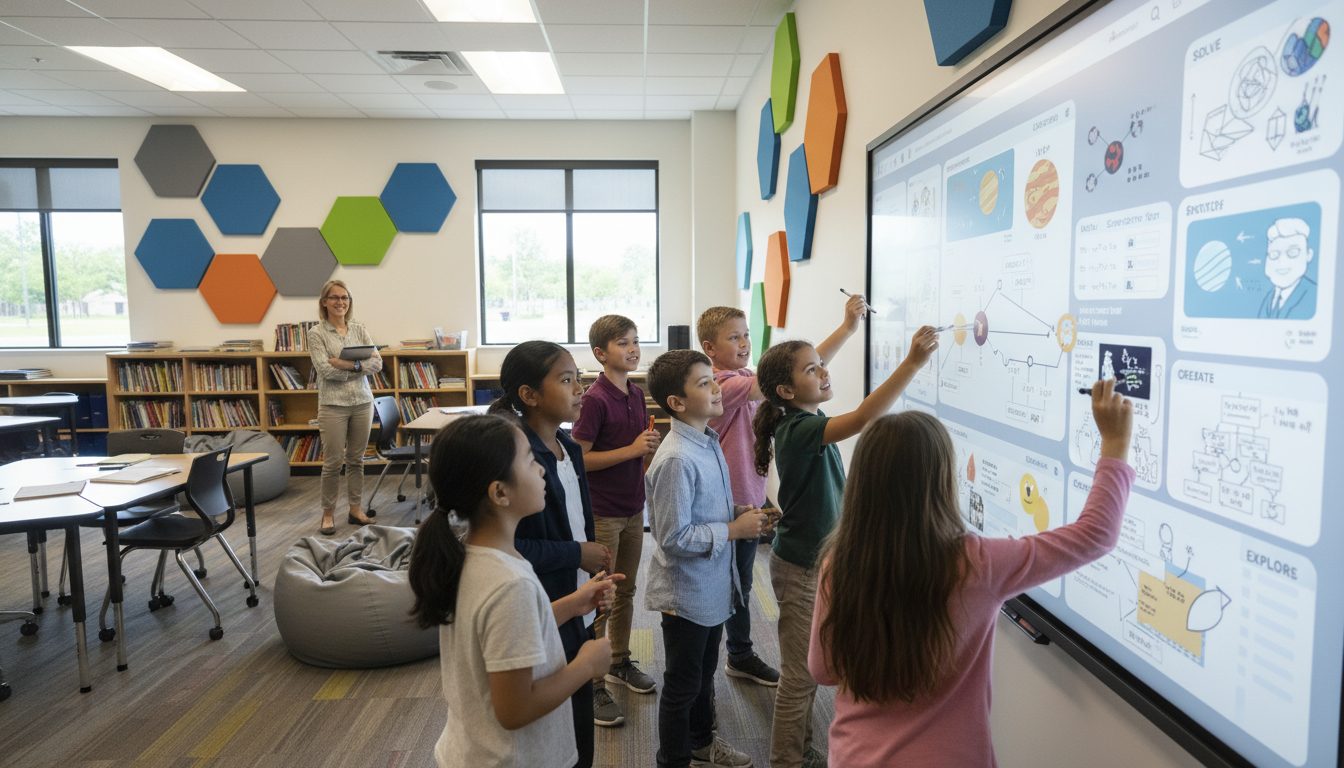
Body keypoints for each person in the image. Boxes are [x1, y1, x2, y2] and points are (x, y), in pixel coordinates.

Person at [808, 382, 1136, 767]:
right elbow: (1095, 535)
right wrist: (1114, 443)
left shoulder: (839, 562)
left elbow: (823, 669)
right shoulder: (977, 562)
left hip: (855, 756)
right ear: (942, 481)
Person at [752, 325, 938, 768]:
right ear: (786, 390)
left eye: (822, 365)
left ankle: (803, 750)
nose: (823, 372)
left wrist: (850, 327)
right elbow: (861, 419)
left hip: (819, 565)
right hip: (799, 569)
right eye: (812, 370)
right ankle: (786, 761)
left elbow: (818, 370)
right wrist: (911, 363)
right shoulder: (798, 429)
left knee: (813, 671)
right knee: (798, 680)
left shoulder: (806, 420)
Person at [406, 413, 620, 768]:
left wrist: (570, 605)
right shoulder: (509, 585)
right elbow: (515, 709)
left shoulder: (473, 557)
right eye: (531, 460)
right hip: (513, 757)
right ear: (500, 492)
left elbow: (497, 635)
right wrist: (585, 665)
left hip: (477, 750)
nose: (541, 470)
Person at [696, 295, 868, 689]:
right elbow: (792, 375)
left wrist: (844, 331)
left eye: (746, 335)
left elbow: (799, 371)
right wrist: (844, 330)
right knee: (734, 583)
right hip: (725, 507)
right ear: (710, 348)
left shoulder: (744, 378)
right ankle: (733, 657)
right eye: (733, 337)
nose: (744, 342)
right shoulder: (723, 382)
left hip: (747, 501)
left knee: (738, 579)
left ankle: (736, 653)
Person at [644, 349, 772, 768]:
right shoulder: (678, 457)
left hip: (712, 588)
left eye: (713, 380)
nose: (718, 387)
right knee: (682, 686)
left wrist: (738, 514)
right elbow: (673, 536)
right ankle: (674, 759)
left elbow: (705, 509)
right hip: (686, 596)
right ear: (677, 403)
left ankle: (701, 742)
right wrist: (732, 531)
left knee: (703, 676)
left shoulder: (707, 440)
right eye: (704, 383)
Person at [488, 340, 611, 768]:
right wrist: (575, 553)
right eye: (566, 379)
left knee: (579, 726)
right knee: (551, 720)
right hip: (540, 605)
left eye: (579, 378)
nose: (580, 387)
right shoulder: (517, 462)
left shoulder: (569, 446)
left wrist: (589, 578)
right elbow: (509, 546)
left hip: (573, 599)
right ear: (529, 395)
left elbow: (577, 519)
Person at [571, 315, 661, 728]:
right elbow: (579, 459)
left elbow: (636, 447)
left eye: (636, 341)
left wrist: (644, 450)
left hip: (633, 505)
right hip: (603, 511)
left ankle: (619, 661)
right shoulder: (595, 399)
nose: (633, 348)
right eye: (623, 343)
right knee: (600, 597)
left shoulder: (637, 392)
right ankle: (591, 681)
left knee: (626, 591)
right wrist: (631, 450)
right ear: (600, 353)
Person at [306, 279, 381, 535]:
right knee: (332, 463)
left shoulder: (359, 329)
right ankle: (328, 515)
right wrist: (358, 366)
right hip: (332, 405)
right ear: (324, 302)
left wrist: (349, 365)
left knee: (357, 460)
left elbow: (377, 364)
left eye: (345, 297)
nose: (340, 302)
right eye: (335, 297)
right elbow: (324, 370)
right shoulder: (316, 333)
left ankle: (355, 510)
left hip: (362, 402)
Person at [1257, 217, 1318, 319]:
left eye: (1292, 253)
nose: (1282, 262)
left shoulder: (1315, 295)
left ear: (1308, 254)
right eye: (1274, 254)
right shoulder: (1269, 298)